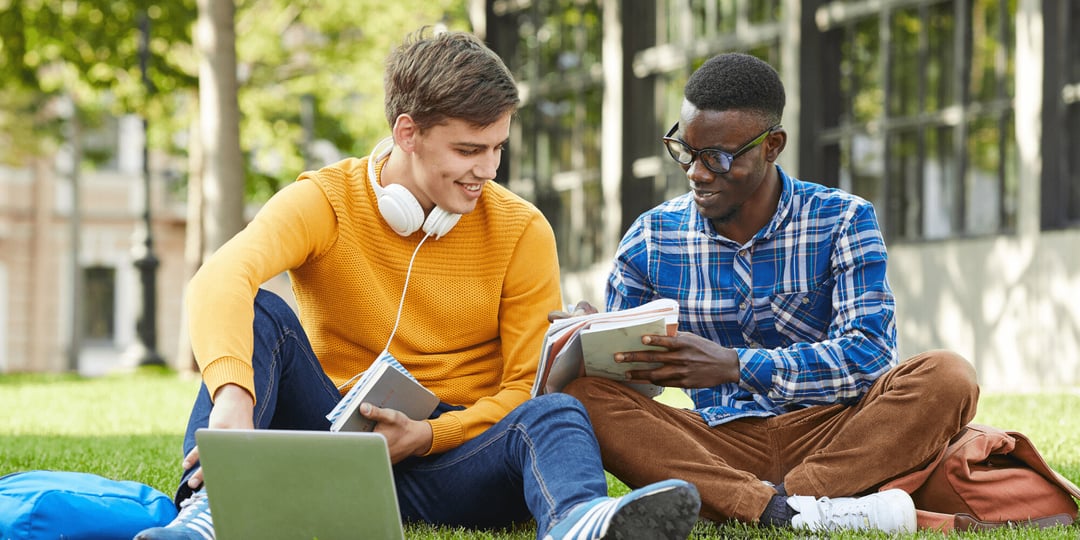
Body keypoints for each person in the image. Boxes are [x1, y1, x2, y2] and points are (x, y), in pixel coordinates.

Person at [135, 28, 700, 540]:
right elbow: (220, 277)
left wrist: (426, 436)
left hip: (456, 458)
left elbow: (521, 388)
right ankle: (211, 509)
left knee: (554, 410)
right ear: (408, 132)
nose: (488, 170)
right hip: (334, 438)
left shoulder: (523, 230)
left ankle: (579, 521)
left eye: (497, 147)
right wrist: (234, 404)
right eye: (468, 150)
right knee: (260, 313)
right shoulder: (327, 199)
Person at [559, 52, 980, 534]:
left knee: (948, 375)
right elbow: (626, 388)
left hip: (835, 434)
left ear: (771, 145)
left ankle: (771, 504)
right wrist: (595, 337)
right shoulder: (652, 236)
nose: (697, 173)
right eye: (686, 151)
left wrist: (735, 364)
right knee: (583, 396)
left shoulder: (843, 219)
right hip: (715, 443)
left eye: (717, 156)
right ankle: (792, 513)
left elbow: (869, 357)